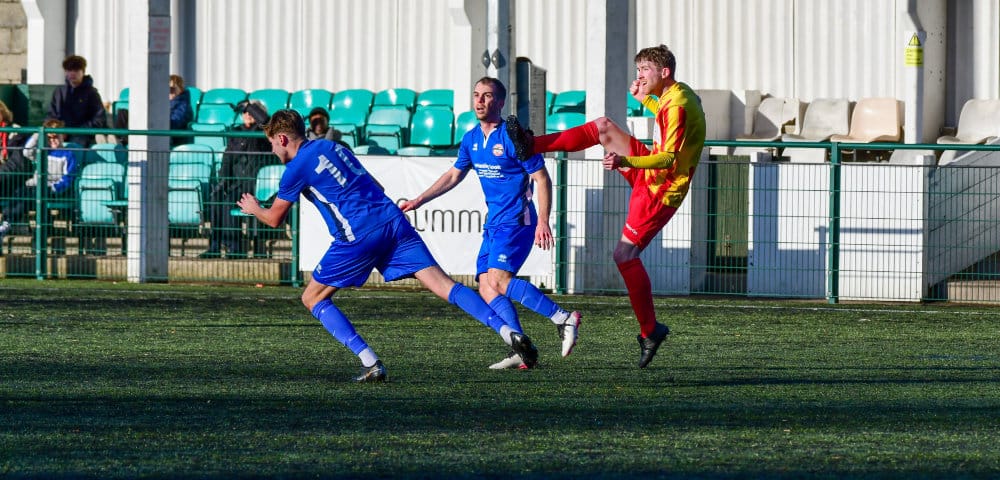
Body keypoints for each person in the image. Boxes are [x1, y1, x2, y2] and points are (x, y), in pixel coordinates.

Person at [236, 109, 539, 382]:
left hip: (359, 234)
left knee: (312, 297)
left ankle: (370, 362)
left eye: (272, 143)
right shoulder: (334, 147)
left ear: (283, 138)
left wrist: (253, 208)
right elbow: (377, 185)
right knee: (444, 285)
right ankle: (508, 332)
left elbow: (274, 218)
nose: (272, 150)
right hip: (393, 220)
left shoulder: (295, 168)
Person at [506, 44, 706, 368]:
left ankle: (650, 331)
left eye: (645, 70)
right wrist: (645, 99)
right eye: (638, 69)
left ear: (664, 72)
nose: (639, 76)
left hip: (661, 190)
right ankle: (531, 145)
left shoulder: (678, 106)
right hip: (652, 175)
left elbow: (668, 159)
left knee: (624, 255)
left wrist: (626, 161)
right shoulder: (675, 94)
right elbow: (667, 121)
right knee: (603, 127)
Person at [400, 77, 581, 370]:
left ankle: (563, 318)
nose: (480, 101)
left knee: (498, 280)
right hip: (494, 223)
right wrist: (419, 200)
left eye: (486, 96)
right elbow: (453, 175)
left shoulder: (513, 137)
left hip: (517, 221)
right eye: (476, 95)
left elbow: (542, 178)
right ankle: (520, 348)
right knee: (486, 285)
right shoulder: (471, 138)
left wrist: (543, 221)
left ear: (500, 102)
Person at [200, 100, 272, 258]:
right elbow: (227, 158)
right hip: (235, 181)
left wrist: (249, 106)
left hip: (253, 183)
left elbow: (266, 121)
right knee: (216, 197)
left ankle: (235, 248)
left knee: (229, 201)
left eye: (252, 112)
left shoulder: (263, 132)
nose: (248, 114)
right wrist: (223, 180)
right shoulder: (236, 131)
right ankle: (214, 246)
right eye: (245, 112)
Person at [0, 119, 79, 239]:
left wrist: (55, 187)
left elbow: (68, 177)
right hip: (34, 187)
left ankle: (10, 223)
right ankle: (7, 222)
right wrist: (39, 133)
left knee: (29, 194)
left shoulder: (68, 155)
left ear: (63, 136)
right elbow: (27, 152)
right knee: (19, 192)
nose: (52, 140)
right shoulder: (42, 151)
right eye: (49, 137)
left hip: (52, 189)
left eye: (56, 136)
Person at [114, 74, 193, 146]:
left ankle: (127, 139)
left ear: (180, 89)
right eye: (166, 89)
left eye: (172, 89)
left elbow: (174, 123)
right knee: (124, 112)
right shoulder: (161, 102)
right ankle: (120, 138)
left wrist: (155, 118)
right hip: (154, 129)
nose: (168, 91)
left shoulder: (183, 105)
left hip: (166, 135)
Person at [48, 55, 107, 148]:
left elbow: (99, 119)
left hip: (82, 134)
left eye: (76, 70)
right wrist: (56, 129)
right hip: (60, 133)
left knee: (75, 145)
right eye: (69, 70)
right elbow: (51, 114)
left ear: (83, 72)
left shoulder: (91, 93)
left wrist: (77, 130)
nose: (72, 73)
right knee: (39, 140)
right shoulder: (59, 92)